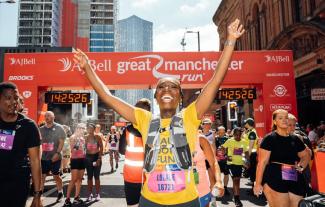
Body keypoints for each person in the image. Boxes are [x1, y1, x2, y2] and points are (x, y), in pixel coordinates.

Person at [73, 18, 244, 207]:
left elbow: (214, 81)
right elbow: (108, 97)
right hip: (149, 201)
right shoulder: (144, 119)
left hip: (186, 201)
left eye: (173, 87)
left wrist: (230, 41)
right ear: (156, 97)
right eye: (162, 87)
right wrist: (87, 67)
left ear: (180, 97)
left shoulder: (189, 116)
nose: (167, 90)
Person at [254, 109, 311, 207]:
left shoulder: (295, 139)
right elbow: (262, 163)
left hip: (294, 177)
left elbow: (306, 155)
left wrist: (301, 166)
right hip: (274, 177)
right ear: (275, 122)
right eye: (280, 118)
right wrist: (258, 184)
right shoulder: (269, 139)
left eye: (286, 118)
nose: (284, 120)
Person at [0, 82, 42, 207]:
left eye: (16, 98)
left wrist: (37, 194)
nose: (14, 102)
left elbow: (35, 161)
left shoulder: (28, 125)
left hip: (18, 185)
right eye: (8, 98)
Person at [119, 98, 151, 207]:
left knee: (132, 205)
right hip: (151, 177)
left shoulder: (127, 130)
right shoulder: (155, 129)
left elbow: (121, 150)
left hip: (131, 176)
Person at [39, 111, 67, 202]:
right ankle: (39, 195)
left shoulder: (59, 128)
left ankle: (60, 192)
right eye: (46, 116)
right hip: (43, 157)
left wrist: (57, 153)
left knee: (56, 176)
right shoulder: (41, 129)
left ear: (53, 117)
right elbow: (39, 143)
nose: (47, 117)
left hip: (55, 157)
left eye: (49, 116)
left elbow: (61, 142)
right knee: (42, 176)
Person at [194, 133, 224, 207]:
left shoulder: (200, 139)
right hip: (176, 193)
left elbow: (213, 162)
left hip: (200, 191)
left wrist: (219, 181)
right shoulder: (166, 136)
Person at [222, 127, 249, 207]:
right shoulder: (230, 141)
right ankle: (237, 199)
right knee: (235, 180)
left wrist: (248, 161)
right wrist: (225, 155)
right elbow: (223, 147)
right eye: (236, 135)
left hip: (239, 164)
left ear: (241, 134)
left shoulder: (244, 142)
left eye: (239, 135)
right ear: (233, 135)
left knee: (237, 181)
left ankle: (236, 197)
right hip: (231, 164)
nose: (237, 136)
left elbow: (246, 152)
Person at [64, 123, 87, 206]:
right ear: (77, 128)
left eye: (84, 128)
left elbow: (84, 150)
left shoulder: (82, 138)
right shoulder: (73, 137)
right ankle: (67, 199)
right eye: (81, 128)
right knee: (73, 179)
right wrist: (79, 145)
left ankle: (76, 197)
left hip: (82, 160)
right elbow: (73, 149)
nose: (83, 130)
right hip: (75, 160)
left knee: (80, 179)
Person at [85, 123, 104, 202]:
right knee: (89, 177)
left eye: (91, 128)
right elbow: (82, 148)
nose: (90, 130)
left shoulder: (97, 137)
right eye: (88, 128)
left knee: (96, 177)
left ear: (94, 129)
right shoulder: (85, 137)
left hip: (96, 157)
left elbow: (101, 147)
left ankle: (97, 194)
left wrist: (99, 158)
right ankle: (89, 194)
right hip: (88, 158)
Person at [242, 118, 258, 194]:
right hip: (250, 154)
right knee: (251, 171)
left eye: (245, 123)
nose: (244, 124)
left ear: (248, 124)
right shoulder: (249, 132)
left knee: (252, 172)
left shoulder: (252, 133)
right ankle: (253, 189)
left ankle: (254, 190)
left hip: (252, 154)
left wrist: (247, 157)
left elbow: (251, 146)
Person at [215, 126, 230, 195]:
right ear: (218, 132)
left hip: (225, 160)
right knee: (218, 174)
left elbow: (230, 149)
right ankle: (219, 187)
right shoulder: (215, 139)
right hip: (217, 160)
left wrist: (228, 156)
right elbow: (213, 148)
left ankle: (225, 187)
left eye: (223, 132)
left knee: (226, 174)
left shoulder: (227, 139)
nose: (222, 133)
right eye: (220, 132)